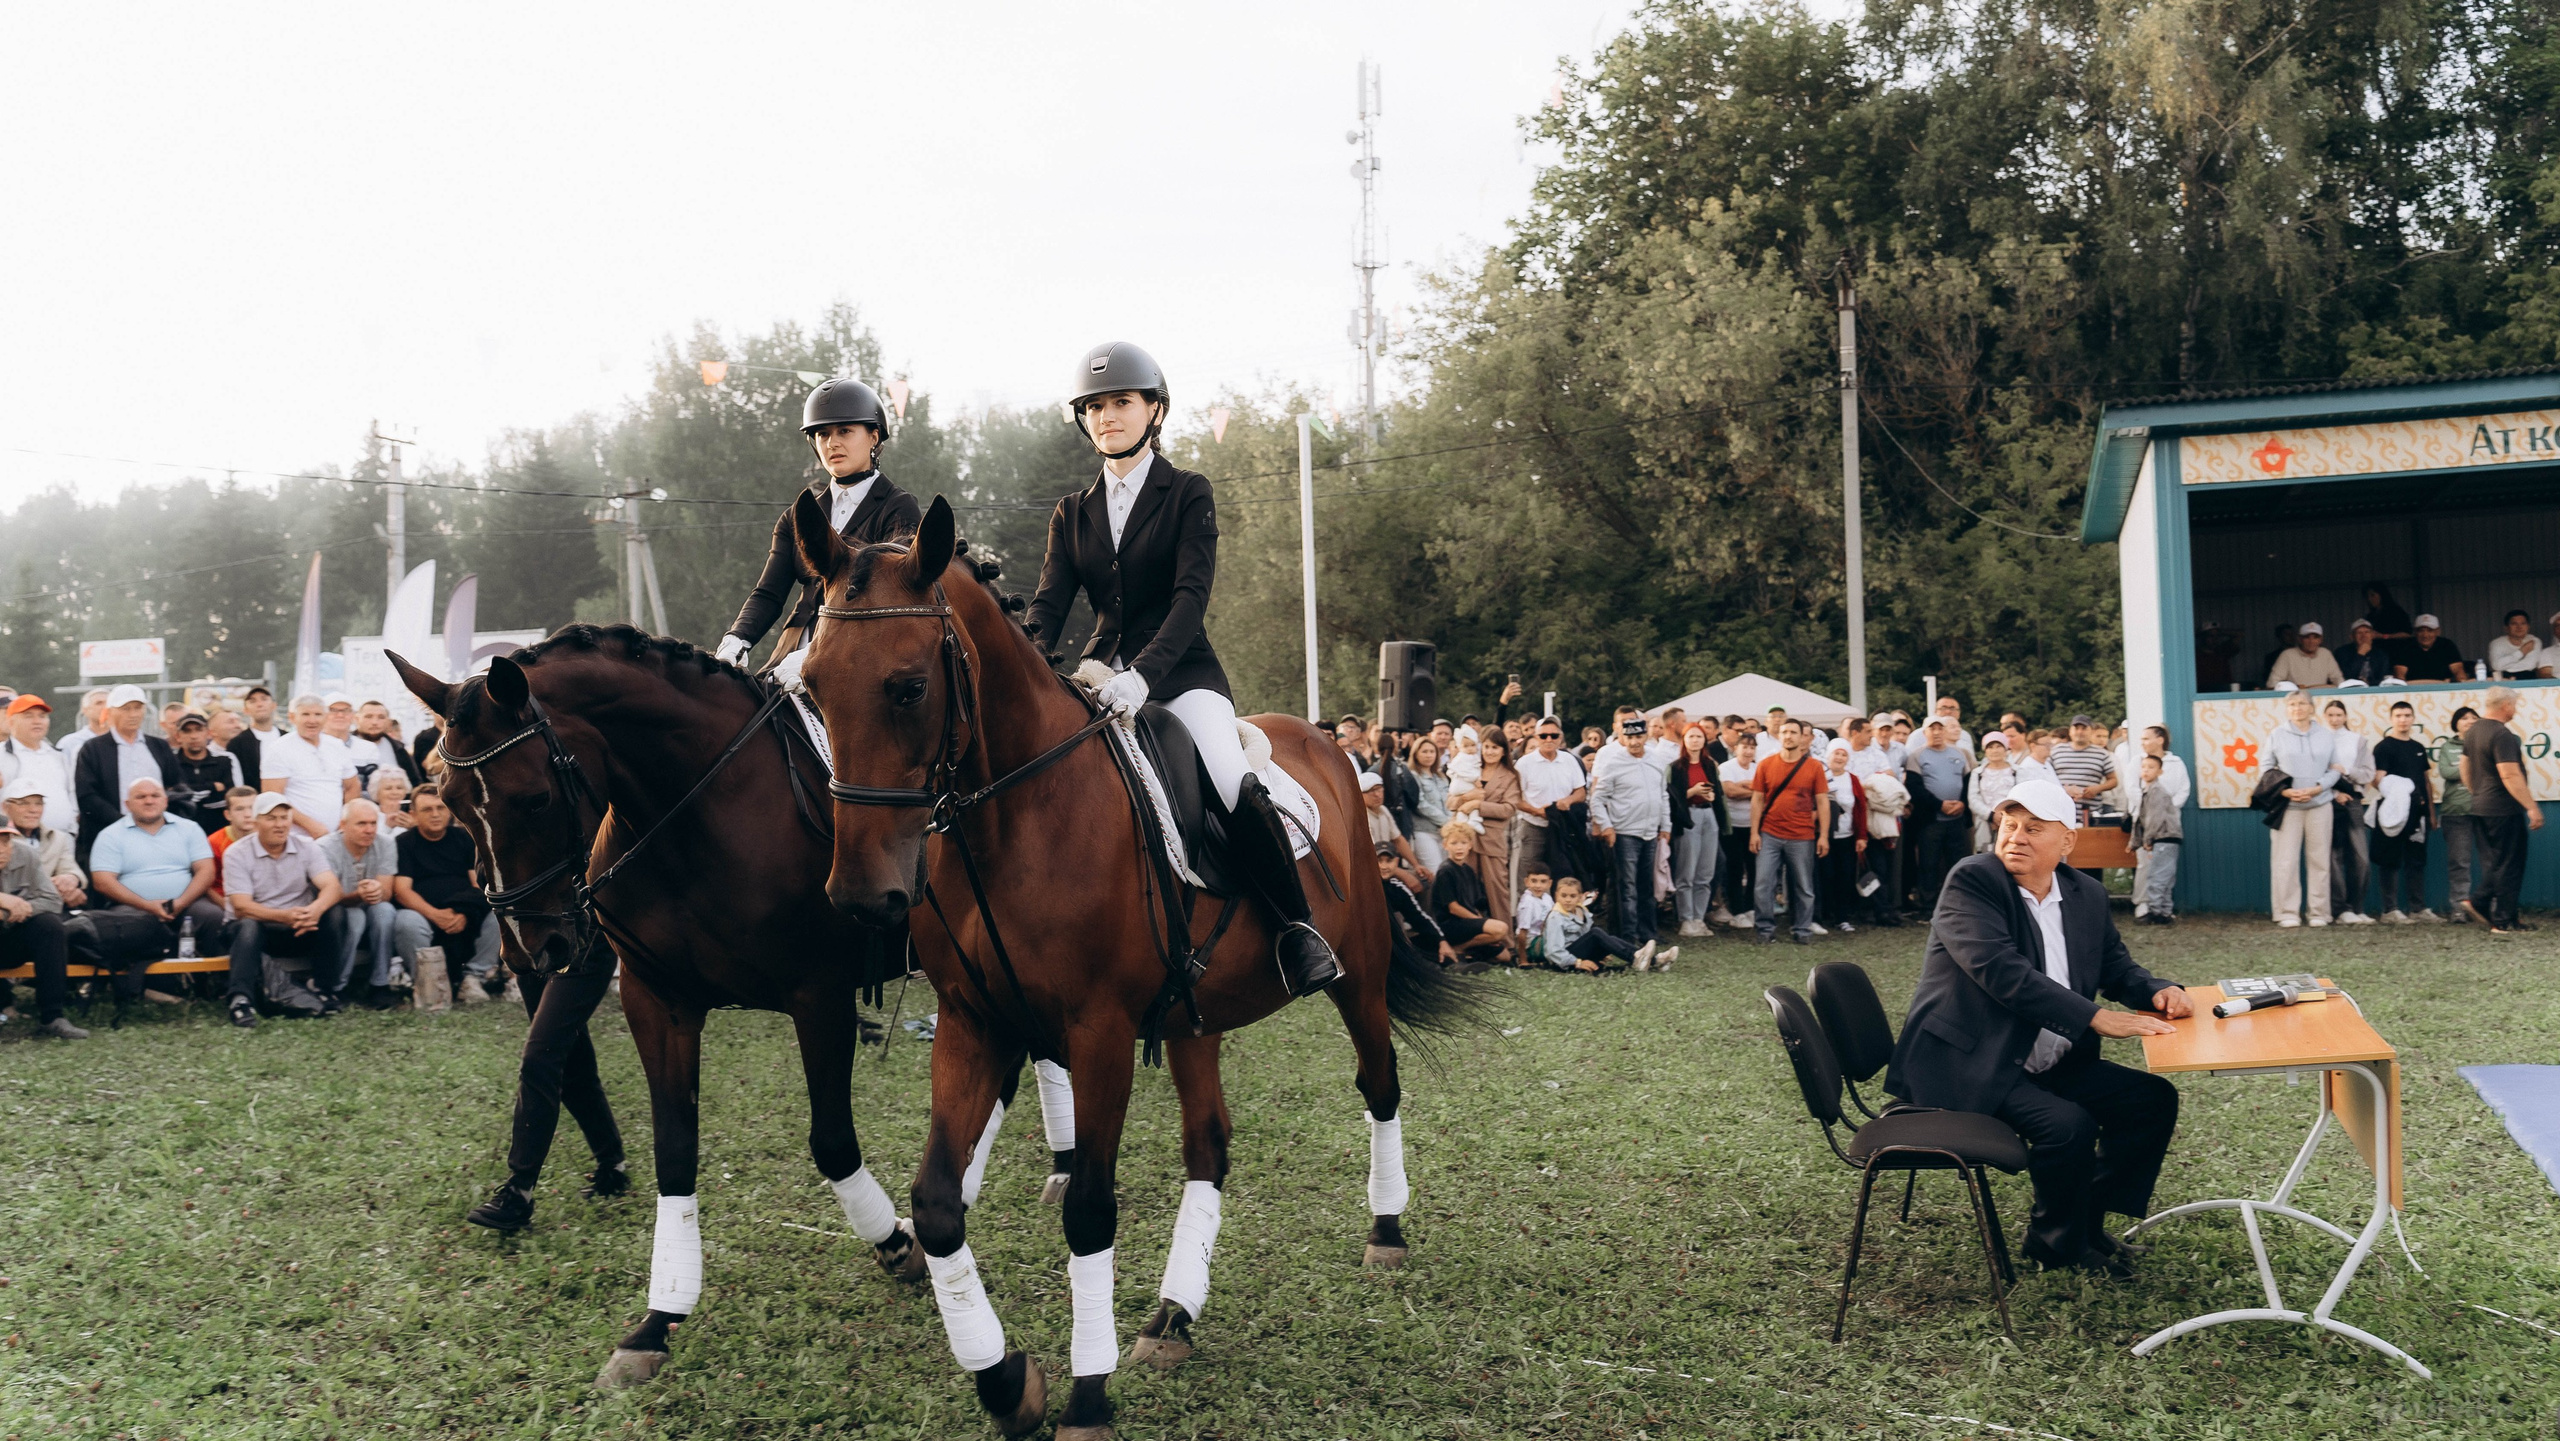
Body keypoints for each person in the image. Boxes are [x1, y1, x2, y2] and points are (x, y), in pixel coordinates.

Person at [1022, 342, 1340, 997]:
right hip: (1100, 675)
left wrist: (1141, 674)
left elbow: (1190, 598)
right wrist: (1022, 668)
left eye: (1120, 402)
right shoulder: (1071, 512)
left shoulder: (1187, 491)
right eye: (1094, 407)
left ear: (1154, 410)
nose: (1106, 416)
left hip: (1182, 675)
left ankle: (1296, 929)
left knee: (1230, 778)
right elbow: (1047, 608)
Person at [1888, 779, 2187, 1275]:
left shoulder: (2084, 892)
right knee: (2068, 1125)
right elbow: (2000, 970)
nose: (2016, 837)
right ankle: (2055, 1243)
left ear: (2067, 840)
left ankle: (2085, 1222)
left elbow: (2114, 966)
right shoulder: (1973, 880)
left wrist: (2156, 989)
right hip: (1972, 1062)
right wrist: (2094, 1017)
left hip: (2048, 1060)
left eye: (2034, 828)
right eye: (2009, 824)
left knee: (2150, 1100)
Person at [717, 376, 923, 668]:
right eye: (822, 434)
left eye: (845, 431)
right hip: (791, 651)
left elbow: (889, 602)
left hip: (863, 659)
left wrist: (817, 657)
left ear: (874, 436)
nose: (832, 443)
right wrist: (736, 639)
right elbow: (769, 593)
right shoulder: (798, 515)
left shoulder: (898, 508)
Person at [462, 926, 633, 1233]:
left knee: (540, 1060)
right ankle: (613, 1167)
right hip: (529, 947)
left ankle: (518, 1194)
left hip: (585, 940)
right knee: (570, 1059)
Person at [222, 794, 349, 1027]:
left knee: (335, 913)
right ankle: (240, 1000)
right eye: (271, 818)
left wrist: (314, 911)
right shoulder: (236, 853)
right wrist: (284, 917)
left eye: (284, 817)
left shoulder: (307, 847)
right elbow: (241, 906)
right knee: (248, 925)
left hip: (299, 925)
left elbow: (332, 887)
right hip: (255, 929)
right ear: (256, 822)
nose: (280, 824)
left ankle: (323, 988)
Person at [395, 784, 504, 1003]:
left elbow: (478, 885)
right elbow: (402, 891)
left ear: (450, 811)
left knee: (498, 913)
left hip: (464, 911)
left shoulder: (464, 839)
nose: (435, 814)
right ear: (413, 815)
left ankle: (474, 977)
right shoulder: (404, 843)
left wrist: (462, 914)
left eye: (440, 808)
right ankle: (428, 981)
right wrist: (436, 915)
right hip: (424, 913)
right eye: (427, 810)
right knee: (405, 921)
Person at [2461, 685, 2542, 935]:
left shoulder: (2473, 731)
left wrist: (2476, 792)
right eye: (2515, 705)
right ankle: (2490, 910)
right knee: (2509, 863)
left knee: (2496, 863)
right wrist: (2531, 807)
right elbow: (2509, 774)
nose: (2515, 710)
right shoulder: (2502, 734)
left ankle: (2507, 917)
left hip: (2481, 807)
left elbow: (2464, 766)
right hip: (2503, 810)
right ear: (2506, 705)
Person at [71, 684, 179, 868]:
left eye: (138, 708)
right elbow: (87, 795)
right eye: (126, 709)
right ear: (111, 712)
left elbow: (176, 786)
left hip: (158, 834)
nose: (133, 714)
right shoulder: (93, 749)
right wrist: (124, 823)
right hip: (108, 835)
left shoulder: (159, 747)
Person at [0, 815, 85, 1038]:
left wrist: (15, 908)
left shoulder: (25, 853)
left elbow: (52, 900)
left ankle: (52, 1017)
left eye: (6, 841)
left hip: (9, 939)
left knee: (50, 926)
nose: (2, 849)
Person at [1589, 713, 1670, 939]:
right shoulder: (1613, 763)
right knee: (1627, 888)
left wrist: (1666, 825)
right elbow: (1597, 798)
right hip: (1624, 833)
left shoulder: (1655, 760)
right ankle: (1628, 936)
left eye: (1638, 736)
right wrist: (1606, 826)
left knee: (1646, 887)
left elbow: (1662, 795)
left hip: (1650, 832)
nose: (1634, 742)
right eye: (1629, 737)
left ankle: (1647, 934)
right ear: (1622, 737)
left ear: (1645, 736)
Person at [1750, 718, 1829, 945]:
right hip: (1770, 833)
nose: (1788, 736)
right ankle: (1765, 930)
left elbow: (1822, 802)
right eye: (1784, 732)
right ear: (1779, 735)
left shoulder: (1814, 767)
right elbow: (1757, 800)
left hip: (1802, 835)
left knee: (1804, 886)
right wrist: (1754, 832)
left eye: (1793, 732)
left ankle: (1802, 930)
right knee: (1763, 884)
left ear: (1803, 736)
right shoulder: (1766, 764)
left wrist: (1823, 835)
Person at [319, 798, 403, 1007]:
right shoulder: (324, 847)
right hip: (336, 908)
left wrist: (376, 892)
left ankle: (379, 984)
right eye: (361, 824)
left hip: (370, 904)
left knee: (385, 911)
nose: (369, 830)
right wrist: (358, 895)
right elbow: (329, 895)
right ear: (343, 825)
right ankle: (339, 986)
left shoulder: (386, 843)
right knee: (355, 918)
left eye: (373, 823)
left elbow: (386, 891)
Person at [2267, 689, 2339, 928]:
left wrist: (2318, 788)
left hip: (2320, 804)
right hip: (2287, 807)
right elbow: (2266, 769)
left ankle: (2319, 913)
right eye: (2292, 705)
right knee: (2284, 861)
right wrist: (2285, 792)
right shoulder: (2277, 735)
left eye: (2301, 704)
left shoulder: (2326, 736)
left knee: (2319, 860)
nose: (2297, 708)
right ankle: (2287, 912)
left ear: (2311, 707)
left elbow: (2336, 769)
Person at [2370, 700, 2435, 923]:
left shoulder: (2418, 748)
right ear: (2391, 719)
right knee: (2391, 860)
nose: (2403, 719)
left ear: (2413, 718)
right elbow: (2377, 780)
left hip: (2419, 813)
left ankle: (2418, 909)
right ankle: (2390, 910)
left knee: (2416, 860)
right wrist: (2397, 797)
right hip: (2394, 814)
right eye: (2398, 716)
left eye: (2407, 715)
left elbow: (2426, 781)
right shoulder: (2384, 747)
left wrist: (2432, 813)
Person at [262, 695, 358, 840]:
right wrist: (312, 827)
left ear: (325, 717)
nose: (312, 720)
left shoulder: (337, 746)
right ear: (292, 717)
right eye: (305, 714)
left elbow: (352, 787)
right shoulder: (278, 749)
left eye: (318, 714)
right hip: (296, 837)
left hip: (337, 837)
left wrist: (345, 823)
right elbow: (274, 797)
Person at [1516, 717, 1592, 890]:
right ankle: (1526, 914)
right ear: (1535, 737)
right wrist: (1536, 811)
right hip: (1534, 826)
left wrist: (1568, 800)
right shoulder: (1524, 763)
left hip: (1562, 826)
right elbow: (1514, 798)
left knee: (1563, 871)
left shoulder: (1570, 760)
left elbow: (1581, 791)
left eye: (1553, 735)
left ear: (1560, 737)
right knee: (1528, 873)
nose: (1549, 740)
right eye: (1543, 736)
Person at [1906, 716, 1973, 911]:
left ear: (1945, 731)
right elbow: (1915, 788)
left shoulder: (1960, 754)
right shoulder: (1917, 756)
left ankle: (1958, 905)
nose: (1936, 732)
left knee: (1957, 863)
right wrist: (1939, 805)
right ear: (1924, 733)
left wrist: (1962, 803)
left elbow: (1969, 783)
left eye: (1940, 728)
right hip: (1930, 820)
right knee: (1929, 864)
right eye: (1931, 729)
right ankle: (1928, 906)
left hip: (1957, 820)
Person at [2126, 725, 2191, 920]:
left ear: (2160, 740)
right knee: (2145, 864)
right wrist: (2149, 806)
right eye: (2142, 739)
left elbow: (2183, 790)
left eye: (2147, 738)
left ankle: (2162, 908)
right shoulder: (2136, 761)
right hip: (2145, 821)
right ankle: (2143, 903)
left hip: (2167, 825)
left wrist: (2167, 808)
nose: (2143, 742)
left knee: (2163, 869)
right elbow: (2131, 789)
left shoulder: (2175, 762)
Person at [1541, 875, 1668, 973]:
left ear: (1580, 897)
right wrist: (1577, 962)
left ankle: (1655, 960)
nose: (1567, 900)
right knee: (1596, 933)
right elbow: (1553, 951)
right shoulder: (1555, 917)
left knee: (1609, 938)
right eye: (1564, 896)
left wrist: (1601, 949)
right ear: (1556, 896)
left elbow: (1584, 939)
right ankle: (1637, 957)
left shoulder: (1581, 911)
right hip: (1565, 962)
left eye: (1572, 896)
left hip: (1578, 953)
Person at [2324, 698, 2377, 924]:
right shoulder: (2318, 739)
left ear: (2345, 717)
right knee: (2333, 857)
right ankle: (2340, 909)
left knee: (2361, 858)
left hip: (2353, 801)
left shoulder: (2358, 740)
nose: (2335, 719)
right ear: (2324, 717)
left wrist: (2345, 770)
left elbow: (2367, 774)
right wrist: (2334, 793)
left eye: (2339, 715)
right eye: (2330, 715)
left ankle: (2357, 907)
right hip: (2326, 800)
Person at [1426, 823, 1509, 969]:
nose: (1459, 847)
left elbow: (1475, 903)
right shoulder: (1445, 871)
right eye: (1454, 843)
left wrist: (1483, 926)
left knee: (1505, 956)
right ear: (1445, 845)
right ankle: (1459, 948)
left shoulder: (1468, 870)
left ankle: (1471, 954)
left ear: (1470, 845)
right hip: (1451, 925)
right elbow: (1453, 908)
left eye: (1463, 843)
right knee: (1500, 928)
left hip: (1467, 923)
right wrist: (1481, 923)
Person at [1667, 723, 1723, 937]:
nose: (1695, 740)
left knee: (1705, 872)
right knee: (1686, 871)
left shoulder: (1709, 765)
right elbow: (1672, 797)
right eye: (1691, 736)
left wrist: (1711, 795)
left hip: (1708, 814)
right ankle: (1686, 919)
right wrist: (1692, 791)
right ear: (1684, 740)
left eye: (1699, 736)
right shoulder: (1675, 767)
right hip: (1688, 817)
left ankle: (1699, 918)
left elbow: (1718, 791)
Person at [0, 695, 76, 847]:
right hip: (15, 844)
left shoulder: (59, 756)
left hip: (60, 842)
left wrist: (73, 830)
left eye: (42, 716)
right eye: (28, 716)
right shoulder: (1, 755)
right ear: (11, 721)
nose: (37, 721)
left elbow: (71, 795)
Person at [1464, 729, 1522, 927]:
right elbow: (1451, 799)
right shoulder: (1471, 768)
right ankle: (1474, 936)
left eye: (1495, 748)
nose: (1489, 752)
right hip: (1466, 837)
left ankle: (1505, 940)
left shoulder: (1509, 777)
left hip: (1492, 838)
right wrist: (1465, 800)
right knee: (1466, 888)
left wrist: (1478, 805)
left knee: (1497, 889)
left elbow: (1509, 808)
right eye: (1486, 747)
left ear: (1504, 751)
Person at [1817, 740, 1870, 935]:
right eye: (1836, 753)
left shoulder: (1852, 779)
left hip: (1847, 836)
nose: (1839, 758)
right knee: (1825, 876)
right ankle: (1824, 915)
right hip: (1824, 835)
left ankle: (1843, 917)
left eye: (1844, 754)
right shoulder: (1821, 776)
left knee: (1845, 876)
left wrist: (1861, 836)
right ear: (1828, 755)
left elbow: (1861, 808)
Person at [2436, 707, 2482, 923]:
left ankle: (2485, 906)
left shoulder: (2485, 742)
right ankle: (2459, 908)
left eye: (2474, 718)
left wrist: (2463, 769)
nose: (2470, 721)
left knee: (2490, 861)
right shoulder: (2447, 746)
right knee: (2459, 862)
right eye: (2465, 718)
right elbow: (2446, 772)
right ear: (2456, 723)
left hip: (2485, 811)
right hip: (2455, 813)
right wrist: (2474, 765)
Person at [165, 712, 242, 834]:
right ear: (178, 736)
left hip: (220, 832)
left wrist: (188, 792)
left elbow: (234, 798)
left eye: (198, 730)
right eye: (187, 731)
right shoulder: (170, 762)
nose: (194, 736)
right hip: (180, 833)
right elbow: (171, 797)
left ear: (208, 733)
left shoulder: (226, 760)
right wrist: (212, 786)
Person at [2129, 754, 2183, 925]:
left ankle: (2155, 912)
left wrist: (2148, 839)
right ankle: (2165, 912)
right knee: (2165, 875)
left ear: (2160, 771)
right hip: (2167, 837)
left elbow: (2154, 818)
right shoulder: (2149, 790)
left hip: (2163, 837)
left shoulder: (2156, 791)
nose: (2146, 770)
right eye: (2143, 767)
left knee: (2157, 876)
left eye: (2151, 767)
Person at [1718, 731, 1759, 925]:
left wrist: (1744, 786)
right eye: (1745, 746)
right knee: (1734, 867)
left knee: (1754, 868)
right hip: (1732, 826)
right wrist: (1752, 790)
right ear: (1736, 749)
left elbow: (1765, 794)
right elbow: (1730, 791)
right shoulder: (1726, 767)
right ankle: (1736, 909)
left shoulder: (1759, 768)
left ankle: (1750, 906)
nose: (1748, 751)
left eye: (1752, 747)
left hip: (1753, 826)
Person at [2048, 716, 2115, 833]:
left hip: (2089, 814)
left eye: (2084, 728)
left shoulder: (2102, 754)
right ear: (2070, 731)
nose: (2080, 732)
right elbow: (2046, 777)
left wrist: (2098, 788)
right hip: (2059, 813)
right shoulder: (2056, 751)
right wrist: (2063, 789)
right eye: (2076, 728)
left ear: (2091, 731)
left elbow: (2113, 780)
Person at [348, 701, 425, 793]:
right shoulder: (344, 746)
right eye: (368, 717)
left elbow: (415, 782)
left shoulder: (399, 749)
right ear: (356, 719)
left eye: (381, 717)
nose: (374, 722)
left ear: (388, 722)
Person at [1406, 737, 1452, 874]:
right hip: (1424, 831)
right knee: (1435, 871)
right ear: (1416, 754)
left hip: (1444, 832)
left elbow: (1449, 801)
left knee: (1446, 872)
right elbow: (1421, 804)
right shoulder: (1413, 775)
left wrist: (1451, 822)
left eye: (1432, 751)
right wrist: (1446, 821)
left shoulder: (1441, 776)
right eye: (1424, 751)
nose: (1429, 755)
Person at [1969, 732, 2018, 850]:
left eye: (1998, 746)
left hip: (2012, 822)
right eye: (1990, 747)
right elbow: (1973, 799)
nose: (1994, 750)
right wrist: (1991, 816)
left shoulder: (2017, 771)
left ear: (2006, 748)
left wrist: (2005, 816)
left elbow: (2022, 795)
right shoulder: (1978, 773)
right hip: (1985, 824)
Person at [2266, 622, 2344, 689]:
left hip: (2322, 698)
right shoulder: (2287, 655)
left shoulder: (2326, 653)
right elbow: (2272, 683)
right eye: (2307, 637)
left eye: (2315, 637)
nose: (2311, 641)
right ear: (2299, 639)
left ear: (2321, 640)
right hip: (2296, 700)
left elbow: (2338, 678)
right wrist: (2291, 688)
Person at [2394, 614, 2467, 684]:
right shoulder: (2405, 646)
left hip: (2442, 690)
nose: (2425, 635)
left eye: (2430, 630)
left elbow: (2458, 671)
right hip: (2413, 690)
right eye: (2421, 631)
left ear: (2438, 632)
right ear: (2415, 632)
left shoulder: (2447, 645)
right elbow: (2400, 675)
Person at [1513, 865, 1556, 966]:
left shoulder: (1547, 898)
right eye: (1534, 881)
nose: (1538, 886)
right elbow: (1522, 933)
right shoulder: (1527, 902)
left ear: (1549, 883)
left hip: (1546, 937)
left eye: (1543, 881)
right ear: (1526, 882)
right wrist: (1523, 960)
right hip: (1532, 944)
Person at [207, 785, 257, 865]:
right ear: (228, 815)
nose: (247, 814)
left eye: (252, 808)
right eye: (239, 809)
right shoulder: (214, 842)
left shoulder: (271, 836)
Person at [2338, 618, 2395, 687]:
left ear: (2372, 635)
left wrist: (2370, 683)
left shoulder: (2381, 654)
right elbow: (2346, 677)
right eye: (2359, 633)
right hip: (2351, 691)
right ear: (2352, 637)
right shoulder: (2342, 652)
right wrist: (2360, 654)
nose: (2363, 636)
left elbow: (2386, 678)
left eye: (2367, 632)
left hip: (2376, 691)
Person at [2488, 609, 2544, 679]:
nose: (2519, 627)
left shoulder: (2534, 641)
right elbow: (2496, 666)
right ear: (2506, 628)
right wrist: (2521, 652)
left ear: (2528, 627)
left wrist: (2505, 667)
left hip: (2527, 677)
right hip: (2503, 679)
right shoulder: (2496, 643)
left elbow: (2530, 665)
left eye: (2523, 623)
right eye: (2514, 624)